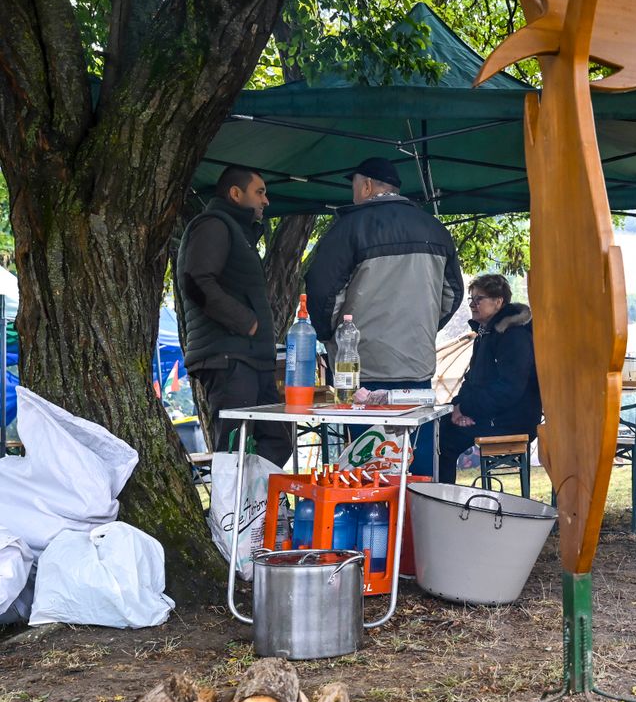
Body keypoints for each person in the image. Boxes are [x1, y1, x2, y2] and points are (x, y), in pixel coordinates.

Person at [304, 157, 463, 477]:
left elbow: (321, 293)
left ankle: (374, 524)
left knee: (368, 465)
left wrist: (333, 336)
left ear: (365, 186)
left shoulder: (348, 228)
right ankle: (417, 525)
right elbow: (452, 295)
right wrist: (423, 329)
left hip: (362, 369)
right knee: (415, 460)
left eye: (353, 186)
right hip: (417, 367)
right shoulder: (433, 228)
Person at [177, 165, 291, 465]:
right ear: (235, 193)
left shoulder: (236, 230)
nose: (266, 201)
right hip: (229, 358)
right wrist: (247, 322)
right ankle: (231, 512)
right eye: (260, 192)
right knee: (235, 449)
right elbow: (196, 281)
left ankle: (262, 509)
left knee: (276, 442)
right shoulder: (213, 225)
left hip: (250, 359)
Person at [438, 275, 541, 483]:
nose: (473, 304)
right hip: (490, 414)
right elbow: (471, 380)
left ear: (499, 301)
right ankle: (438, 497)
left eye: (479, 299)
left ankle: (442, 498)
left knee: (442, 439)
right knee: (437, 426)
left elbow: (509, 389)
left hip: (511, 420)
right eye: (471, 299)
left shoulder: (513, 335)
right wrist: (458, 406)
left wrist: (466, 410)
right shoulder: (487, 333)